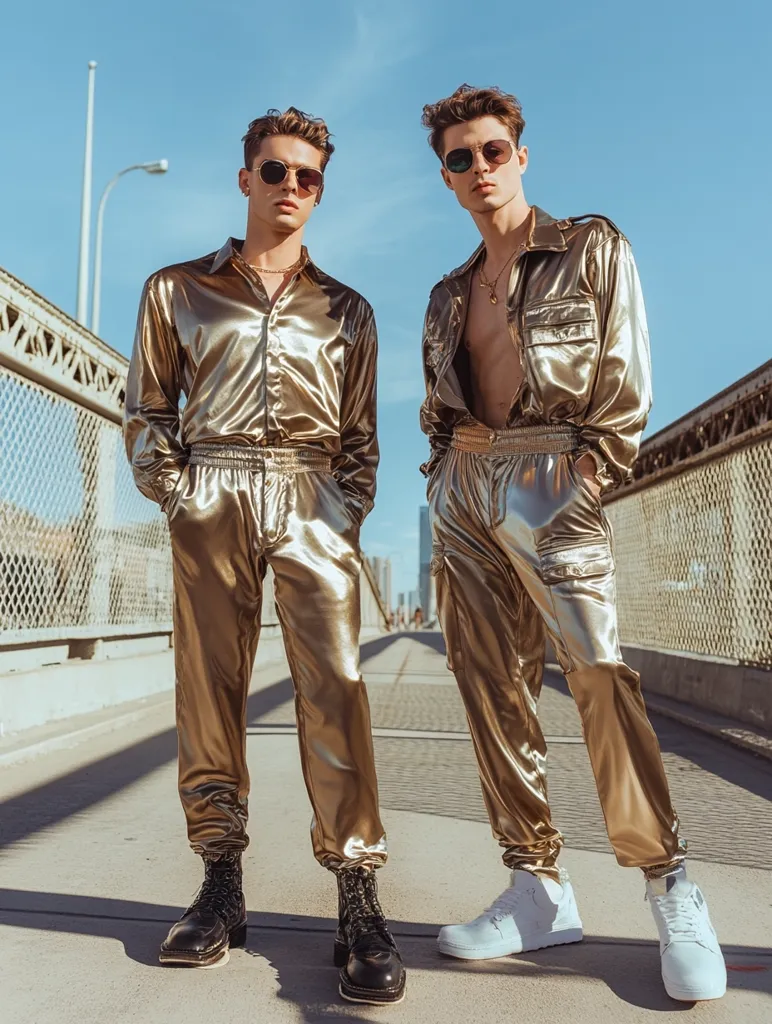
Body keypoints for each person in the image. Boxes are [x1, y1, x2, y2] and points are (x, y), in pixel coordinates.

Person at [418, 84, 726, 1003]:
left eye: (493, 151)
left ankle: (669, 881)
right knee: (490, 690)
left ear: (521, 154)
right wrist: (443, 478)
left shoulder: (591, 245)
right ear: (446, 175)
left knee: (597, 677)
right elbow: (438, 409)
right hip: (466, 487)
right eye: (459, 159)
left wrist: (590, 471)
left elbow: (626, 379)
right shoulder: (444, 294)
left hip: (556, 475)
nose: (479, 169)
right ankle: (537, 887)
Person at [124, 107, 405, 1006]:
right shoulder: (175, 290)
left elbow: (362, 437)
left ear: (321, 191)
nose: (292, 188)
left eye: (309, 177)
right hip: (211, 488)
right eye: (277, 171)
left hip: (311, 495)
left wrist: (340, 511)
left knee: (336, 690)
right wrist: (178, 493)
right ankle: (220, 880)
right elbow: (147, 411)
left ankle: (356, 894)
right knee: (209, 685)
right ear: (245, 179)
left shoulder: (348, 310)